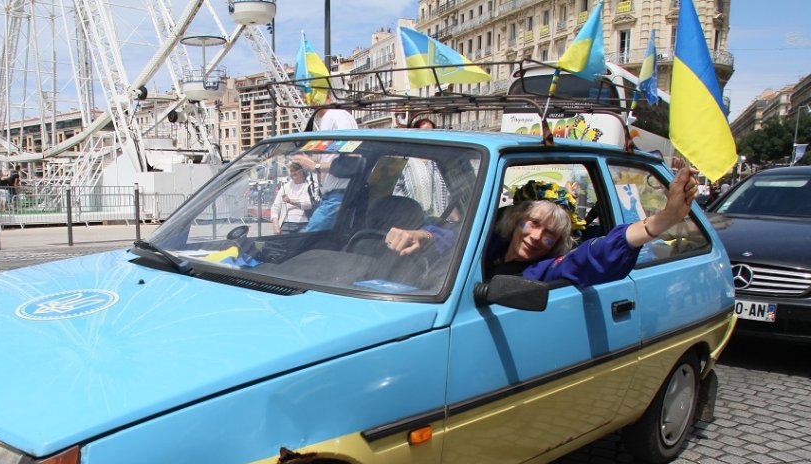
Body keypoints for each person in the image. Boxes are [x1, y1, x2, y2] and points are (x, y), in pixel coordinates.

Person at [383, 166, 700, 288]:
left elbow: (591, 255)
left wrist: (663, 220)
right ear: (516, 221)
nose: (537, 237)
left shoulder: (543, 269)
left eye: (551, 234)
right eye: (532, 223)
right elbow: (452, 238)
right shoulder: (488, 242)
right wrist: (419, 235)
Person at [291, 91, 359, 232]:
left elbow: (352, 159)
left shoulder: (335, 116)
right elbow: (339, 157)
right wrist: (309, 162)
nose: (305, 97)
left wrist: (315, 166)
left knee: (303, 241)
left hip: (338, 198)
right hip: (333, 198)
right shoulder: (330, 117)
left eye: (307, 92)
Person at [271, 163, 315, 234]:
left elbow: (309, 204)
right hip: (286, 224)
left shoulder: (310, 186)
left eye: (296, 172)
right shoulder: (285, 187)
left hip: (305, 223)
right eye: (291, 172)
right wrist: (276, 225)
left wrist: (290, 201)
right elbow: (275, 207)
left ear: (303, 172)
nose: (293, 175)